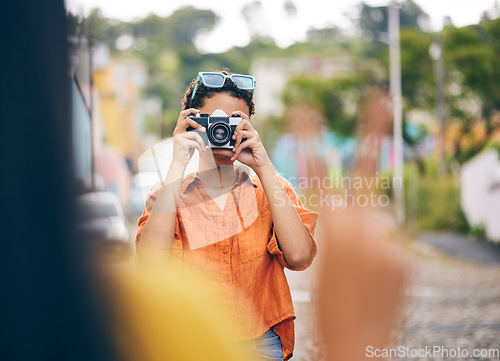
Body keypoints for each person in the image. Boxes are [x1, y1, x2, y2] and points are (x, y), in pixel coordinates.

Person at [135, 70, 318, 361]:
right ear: (191, 123)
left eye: (235, 121)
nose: (223, 129)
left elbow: (299, 255)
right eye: (214, 120)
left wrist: (264, 166)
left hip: (260, 343)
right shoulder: (166, 195)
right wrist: (177, 163)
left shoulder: (272, 190)